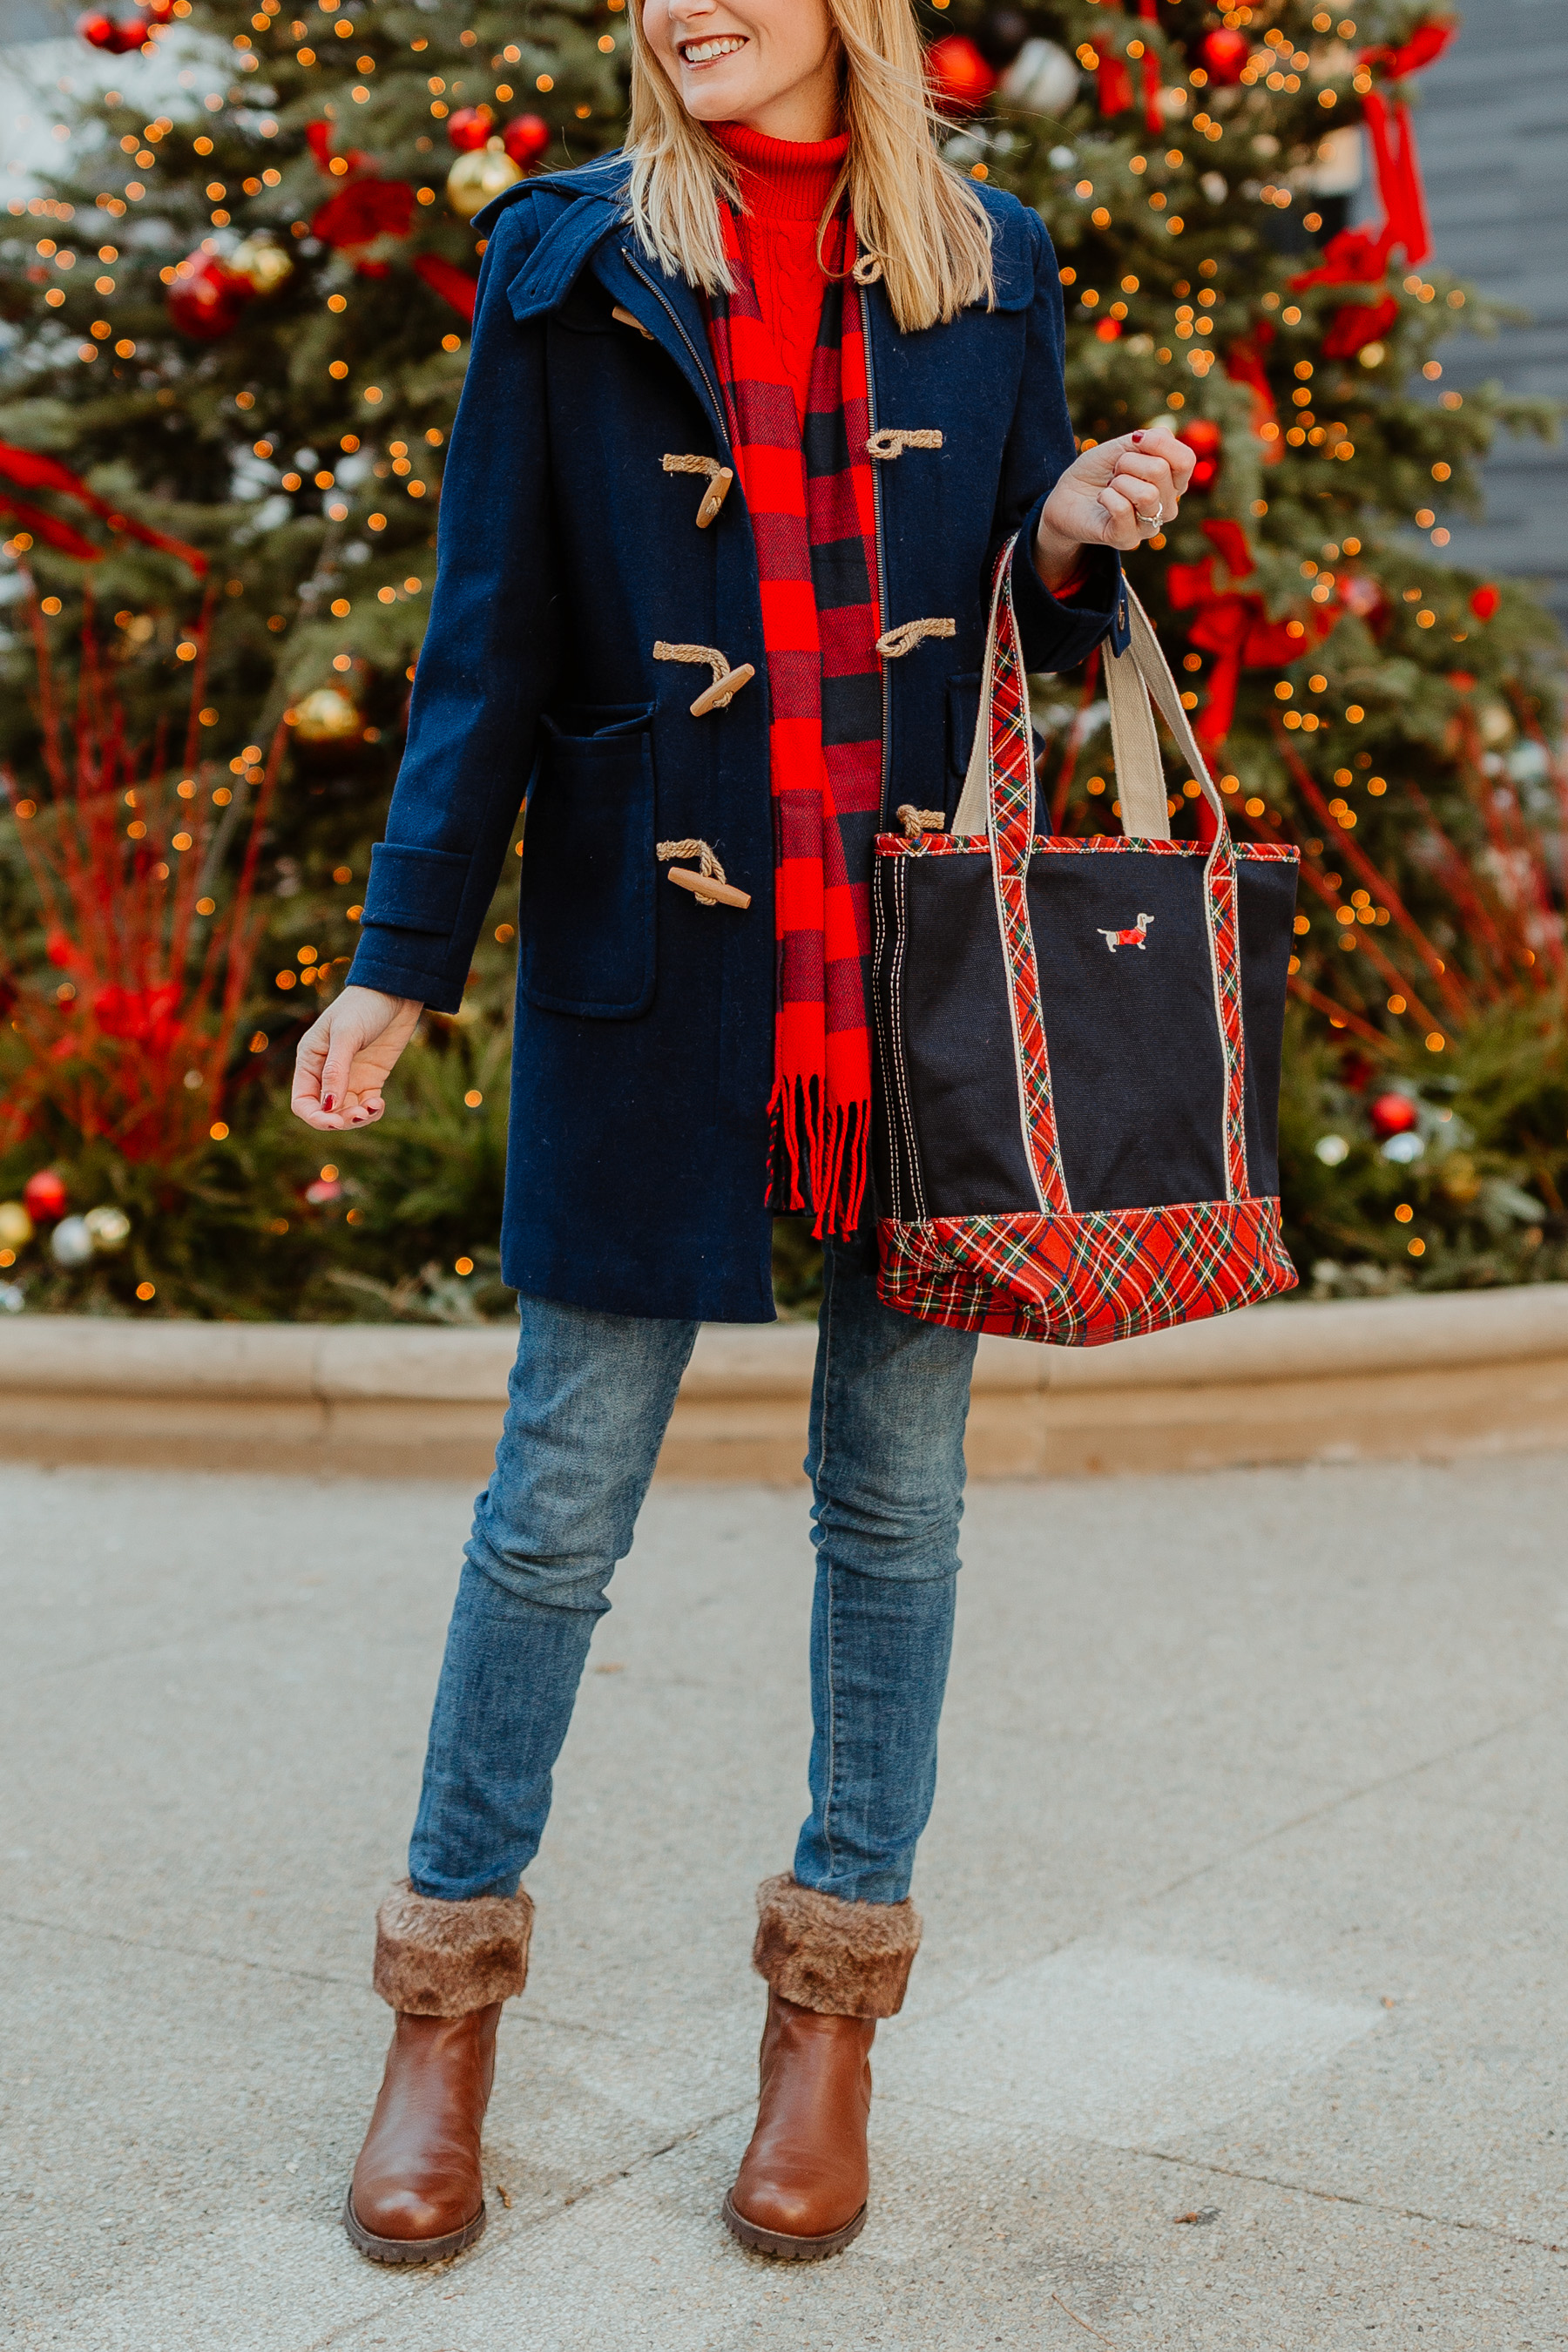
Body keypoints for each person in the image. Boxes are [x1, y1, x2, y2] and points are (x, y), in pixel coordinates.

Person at [294, 0, 1194, 2269]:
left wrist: (1074, 533)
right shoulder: (570, 262)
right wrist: (399, 964)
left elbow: (1011, 610)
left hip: (911, 995)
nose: (692, 5)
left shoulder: (987, 258)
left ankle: (829, 2019)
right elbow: (483, 645)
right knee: (555, 1505)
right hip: (653, 971)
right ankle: (442, 2007)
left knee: (891, 1504)